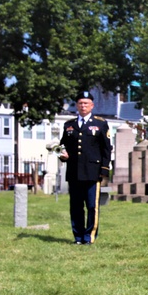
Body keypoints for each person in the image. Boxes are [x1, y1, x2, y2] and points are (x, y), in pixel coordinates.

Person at [59, 91, 111, 245]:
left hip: (92, 173)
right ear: (77, 105)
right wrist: (62, 154)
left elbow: (106, 149)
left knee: (92, 206)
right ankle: (78, 237)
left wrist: (104, 170)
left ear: (92, 105)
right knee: (75, 207)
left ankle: (89, 237)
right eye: (80, 103)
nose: (83, 106)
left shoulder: (100, 124)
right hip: (74, 172)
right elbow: (63, 145)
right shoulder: (69, 125)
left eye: (86, 103)